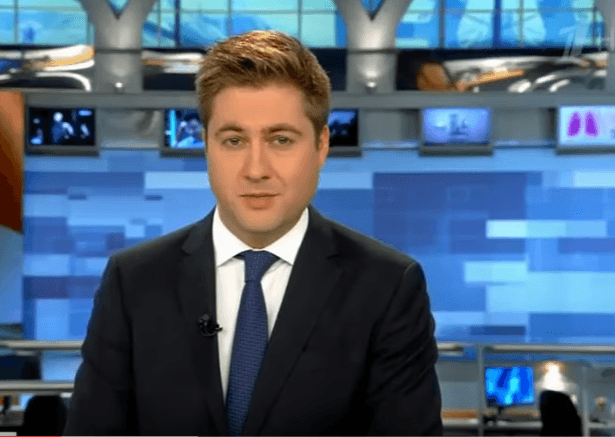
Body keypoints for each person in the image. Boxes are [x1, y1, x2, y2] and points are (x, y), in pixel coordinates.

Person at [63, 30, 442, 436]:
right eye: (233, 140)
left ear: (321, 146)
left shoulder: (386, 287)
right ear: (206, 146)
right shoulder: (134, 281)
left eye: (280, 140)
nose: (256, 169)